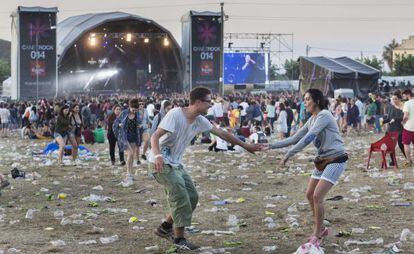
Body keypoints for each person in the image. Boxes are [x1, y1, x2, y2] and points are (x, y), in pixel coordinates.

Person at [149, 87, 263, 251]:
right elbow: (155, 136)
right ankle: (179, 239)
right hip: (159, 162)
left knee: (192, 197)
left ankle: (165, 227)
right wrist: (158, 156)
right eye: (208, 101)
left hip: (175, 163)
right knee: (180, 195)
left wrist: (246, 145)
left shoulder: (199, 120)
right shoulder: (175, 114)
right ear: (198, 102)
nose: (211, 104)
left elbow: (222, 134)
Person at [267, 88, 347, 246]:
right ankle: (322, 227)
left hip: (336, 159)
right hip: (322, 160)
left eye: (308, 99)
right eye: (304, 99)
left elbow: (308, 138)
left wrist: (289, 154)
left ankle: (317, 234)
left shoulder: (324, 115)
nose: (305, 102)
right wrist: (270, 146)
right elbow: (295, 138)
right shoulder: (312, 119)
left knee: (317, 196)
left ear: (316, 100)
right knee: (309, 194)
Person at [113, 98, 142, 185]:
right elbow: (116, 122)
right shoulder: (124, 113)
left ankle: (131, 173)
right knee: (131, 154)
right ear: (130, 107)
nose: (134, 111)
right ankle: (128, 174)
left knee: (132, 156)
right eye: (133, 110)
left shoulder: (137, 114)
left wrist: (139, 125)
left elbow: (140, 122)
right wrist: (119, 124)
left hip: (134, 136)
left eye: (136, 110)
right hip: (125, 137)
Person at [383, 92, 406, 166]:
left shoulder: (403, 107)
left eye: (395, 99)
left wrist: (395, 119)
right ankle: (393, 161)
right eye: (393, 99)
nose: (394, 100)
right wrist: (384, 121)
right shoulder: (391, 107)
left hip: (399, 129)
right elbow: (389, 118)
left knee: (401, 145)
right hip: (390, 129)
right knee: (390, 146)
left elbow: (403, 117)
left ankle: (408, 159)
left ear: (399, 99)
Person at [402, 89, 414, 166]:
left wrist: (403, 122)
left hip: (409, 127)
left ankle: (409, 161)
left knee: (406, 144)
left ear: (408, 95)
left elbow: (406, 115)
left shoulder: (407, 103)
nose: (404, 97)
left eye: (404, 96)